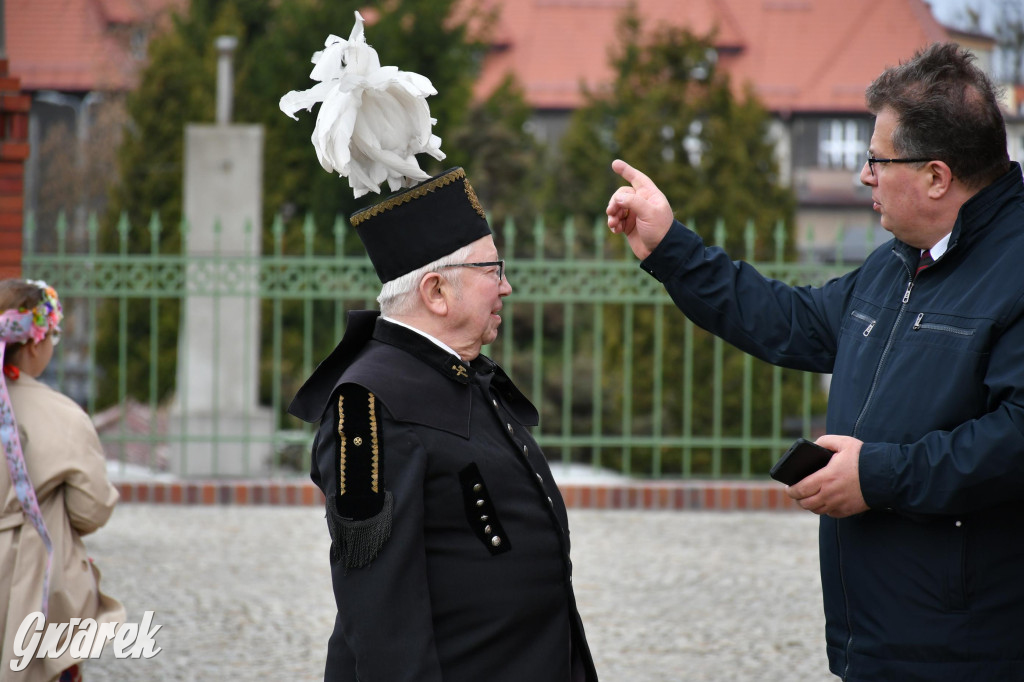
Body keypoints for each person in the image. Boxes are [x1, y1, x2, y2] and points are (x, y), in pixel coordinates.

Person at [606, 41, 1024, 680]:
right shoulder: (899, 262)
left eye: (876, 160)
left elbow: (1015, 437)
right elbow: (791, 321)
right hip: (880, 641)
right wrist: (670, 249)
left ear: (937, 176)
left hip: (969, 649)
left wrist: (880, 476)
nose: (865, 176)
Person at [287, 166, 598, 682]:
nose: (508, 285)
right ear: (436, 293)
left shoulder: (463, 373)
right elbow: (383, 617)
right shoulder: (371, 405)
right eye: (492, 270)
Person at [0, 279, 124, 682]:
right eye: (52, 334)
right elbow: (91, 509)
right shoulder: (63, 415)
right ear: (35, 343)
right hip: (30, 583)